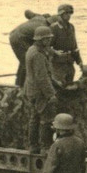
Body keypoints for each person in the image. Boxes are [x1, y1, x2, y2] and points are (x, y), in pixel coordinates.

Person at [24, 25, 59, 154]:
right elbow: (42, 78)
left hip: (31, 91)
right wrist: (51, 95)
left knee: (34, 119)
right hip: (40, 93)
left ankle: (33, 146)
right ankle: (46, 148)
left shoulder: (31, 50)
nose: (49, 41)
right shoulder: (38, 55)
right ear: (41, 40)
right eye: (47, 39)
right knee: (46, 119)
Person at [9, 10, 51, 87]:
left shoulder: (38, 16)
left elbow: (26, 12)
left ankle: (19, 83)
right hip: (20, 39)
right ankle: (21, 86)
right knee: (28, 62)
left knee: (25, 61)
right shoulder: (44, 27)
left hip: (14, 35)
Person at [50, 4, 83, 85]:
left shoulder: (71, 27)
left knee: (70, 85)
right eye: (66, 13)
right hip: (57, 65)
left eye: (70, 13)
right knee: (59, 86)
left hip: (69, 63)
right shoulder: (54, 28)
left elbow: (74, 46)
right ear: (61, 14)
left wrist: (79, 62)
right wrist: (55, 52)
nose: (69, 15)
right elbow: (46, 46)